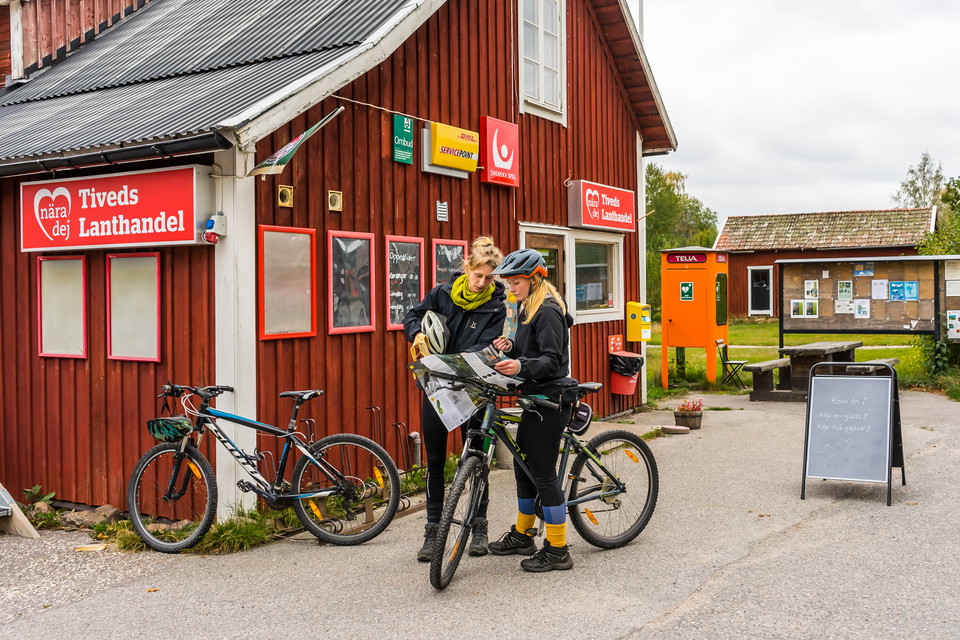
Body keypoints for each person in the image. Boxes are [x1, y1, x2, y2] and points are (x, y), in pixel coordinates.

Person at [403, 236, 506, 561]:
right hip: (437, 386)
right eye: (479, 275)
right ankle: (433, 532)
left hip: (474, 387)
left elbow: (487, 347)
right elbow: (411, 316)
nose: (483, 282)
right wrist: (417, 333)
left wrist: (460, 360)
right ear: (467, 268)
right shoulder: (442, 294)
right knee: (434, 462)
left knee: (476, 461)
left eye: (490, 277)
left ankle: (479, 526)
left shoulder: (497, 306)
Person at [488, 248, 576, 572]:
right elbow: (531, 350)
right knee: (522, 467)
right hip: (534, 398)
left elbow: (552, 360)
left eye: (516, 282)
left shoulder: (549, 310)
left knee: (542, 473)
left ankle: (557, 549)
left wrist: (520, 364)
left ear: (535, 278)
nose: (511, 288)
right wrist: (511, 348)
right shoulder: (527, 307)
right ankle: (524, 534)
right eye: (510, 283)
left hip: (551, 400)